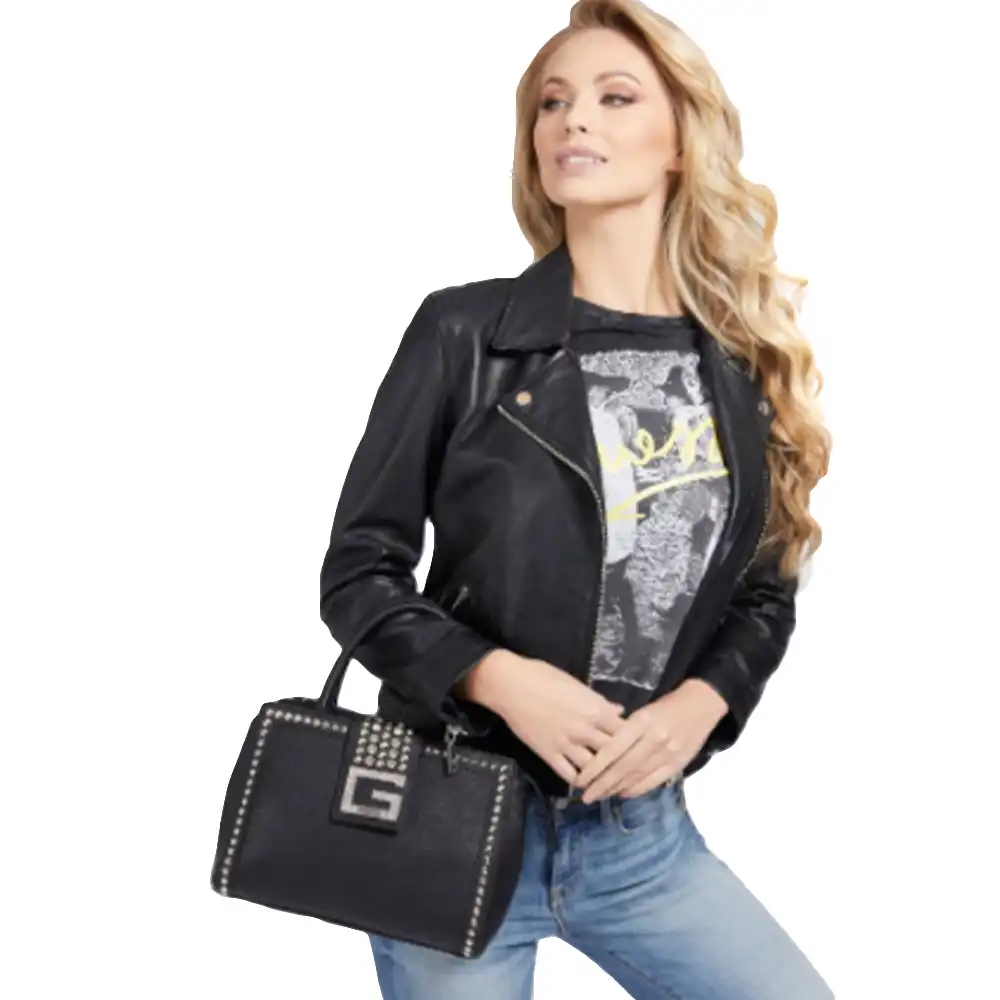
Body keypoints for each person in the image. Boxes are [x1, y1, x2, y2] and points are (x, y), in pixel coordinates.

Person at [318, 1, 833, 997]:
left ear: (680, 142)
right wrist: (496, 677)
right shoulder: (465, 334)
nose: (573, 120)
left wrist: (702, 702)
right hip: (454, 824)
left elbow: (764, 590)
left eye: (613, 97)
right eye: (551, 103)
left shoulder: (737, 362)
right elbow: (359, 574)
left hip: (642, 844)